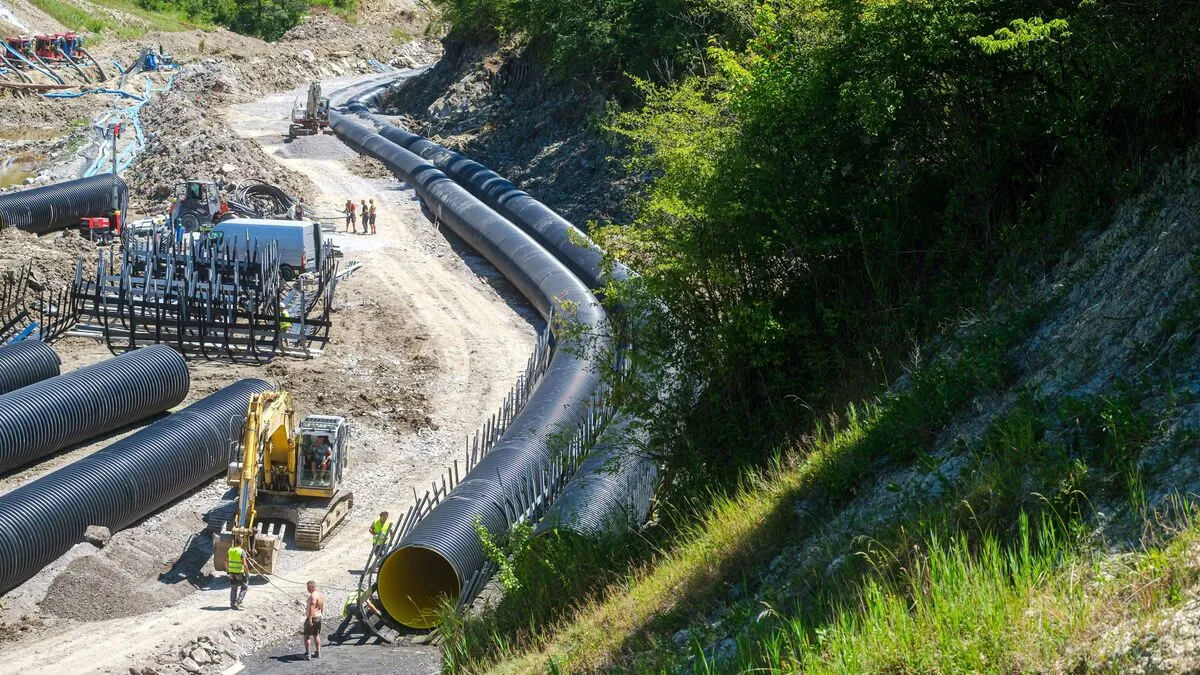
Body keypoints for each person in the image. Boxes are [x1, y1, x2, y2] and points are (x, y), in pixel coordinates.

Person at [303, 580, 325, 660]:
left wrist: (310, 619)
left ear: (312, 587)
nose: (307, 589)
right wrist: (320, 614)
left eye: (308, 588)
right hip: (319, 617)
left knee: (307, 636)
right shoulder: (321, 595)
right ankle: (318, 653)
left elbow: (312, 607)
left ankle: (307, 654)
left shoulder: (313, 596)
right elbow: (322, 607)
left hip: (312, 618)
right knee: (316, 635)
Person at [227, 542, 248, 610]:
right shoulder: (242, 551)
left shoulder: (230, 550)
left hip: (231, 572)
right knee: (244, 586)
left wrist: (228, 570)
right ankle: (238, 601)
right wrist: (247, 573)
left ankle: (233, 603)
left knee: (234, 588)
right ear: (241, 543)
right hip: (239, 572)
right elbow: (244, 564)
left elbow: (226, 561)